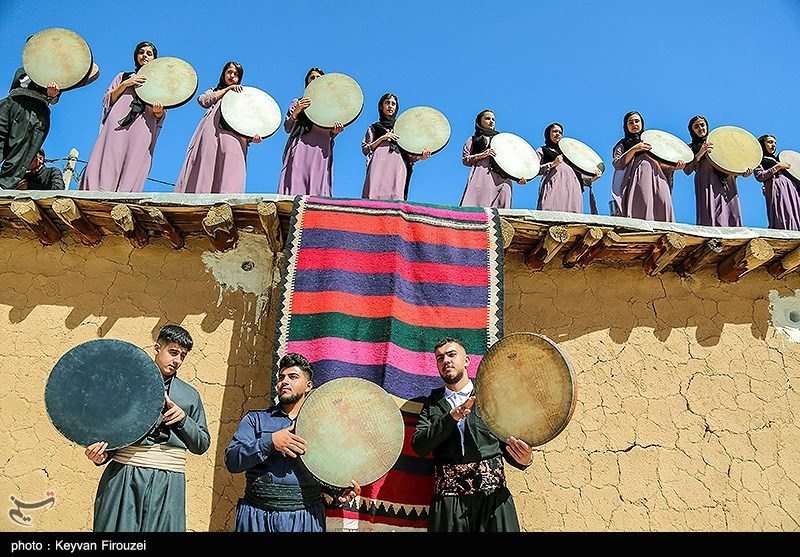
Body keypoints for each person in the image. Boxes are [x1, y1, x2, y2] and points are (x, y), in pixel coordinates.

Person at [84, 324, 210, 532]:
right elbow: (111, 437)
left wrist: (183, 420)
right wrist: (101, 455)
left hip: (169, 483)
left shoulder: (190, 396)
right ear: (157, 348)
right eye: (173, 352)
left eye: (183, 356)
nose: (177, 360)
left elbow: (202, 444)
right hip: (125, 475)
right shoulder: (126, 388)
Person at [225, 353, 360, 532]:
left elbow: (328, 471)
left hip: (304, 519)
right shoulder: (255, 419)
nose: (284, 382)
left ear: (308, 386)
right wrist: (271, 441)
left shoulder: (324, 427)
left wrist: (339, 491)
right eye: (281, 377)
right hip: (256, 517)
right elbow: (232, 461)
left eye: (293, 377)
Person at [411, 337, 533, 532]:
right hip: (449, 505)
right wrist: (452, 417)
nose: (446, 361)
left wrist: (525, 459)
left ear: (467, 360)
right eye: (440, 358)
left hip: (492, 501)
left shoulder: (490, 397)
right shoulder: (432, 404)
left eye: (452, 355)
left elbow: (508, 443)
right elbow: (419, 446)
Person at [79, 41, 165, 192]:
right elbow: (108, 99)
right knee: (109, 155)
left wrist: (158, 111)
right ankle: (100, 190)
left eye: (149, 53)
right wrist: (126, 84)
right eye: (141, 52)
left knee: (135, 157)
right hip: (117, 122)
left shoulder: (160, 83)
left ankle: (124, 194)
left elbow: (162, 113)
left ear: (154, 59)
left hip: (144, 124)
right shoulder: (123, 76)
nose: (144, 55)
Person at [174, 61, 262, 194]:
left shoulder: (243, 98)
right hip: (211, 131)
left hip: (233, 135)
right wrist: (226, 90)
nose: (232, 76)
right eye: (229, 72)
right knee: (206, 163)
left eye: (236, 74)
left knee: (230, 165)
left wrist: (251, 138)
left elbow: (247, 121)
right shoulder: (215, 91)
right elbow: (203, 100)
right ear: (224, 74)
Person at [277, 67, 343, 197]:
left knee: (318, 179)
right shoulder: (297, 102)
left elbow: (331, 132)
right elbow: (287, 127)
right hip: (301, 144)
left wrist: (336, 131)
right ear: (307, 82)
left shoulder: (330, 108)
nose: (315, 80)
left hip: (321, 147)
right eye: (312, 77)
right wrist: (297, 111)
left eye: (318, 78)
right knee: (296, 176)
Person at [611, 111, 685, 222]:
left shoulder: (652, 141)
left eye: (637, 121)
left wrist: (675, 167)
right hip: (640, 176)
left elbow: (663, 163)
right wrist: (635, 149)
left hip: (658, 176)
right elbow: (618, 163)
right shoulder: (623, 144)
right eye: (630, 122)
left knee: (663, 201)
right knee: (644, 203)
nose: (634, 124)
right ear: (626, 126)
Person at [683, 115, 751, 227]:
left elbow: (732, 163)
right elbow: (687, 169)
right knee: (710, 209)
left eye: (702, 125)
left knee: (731, 210)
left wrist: (743, 172)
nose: (700, 128)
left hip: (727, 181)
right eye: (696, 126)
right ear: (692, 130)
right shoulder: (691, 148)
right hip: (706, 180)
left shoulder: (718, 142)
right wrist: (700, 153)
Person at [361, 92, 430, 201]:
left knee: (396, 194)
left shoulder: (403, 128)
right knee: (373, 194)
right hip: (378, 163)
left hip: (398, 163)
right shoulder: (374, 127)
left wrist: (421, 156)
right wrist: (383, 138)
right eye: (387, 103)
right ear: (381, 106)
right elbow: (365, 149)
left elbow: (410, 155)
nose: (390, 106)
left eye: (393, 104)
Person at [0, 66, 60, 189]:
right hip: (10, 102)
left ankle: (3, 186)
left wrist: (52, 95)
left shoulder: (56, 74)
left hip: (34, 108)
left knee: (21, 151)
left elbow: (54, 99)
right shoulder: (25, 67)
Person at [459, 110, 526, 209]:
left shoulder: (502, 140)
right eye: (487, 118)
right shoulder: (473, 140)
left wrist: (518, 178)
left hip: (502, 178)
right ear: (479, 121)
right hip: (482, 176)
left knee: (501, 209)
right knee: (477, 208)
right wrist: (481, 155)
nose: (491, 121)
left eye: (493, 119)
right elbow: (465, 160)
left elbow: (511, 162)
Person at [535, 122, 601, 214]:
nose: (558, 134)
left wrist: (591, 179)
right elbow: (534, 170)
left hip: (573, 191)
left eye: (560, 132)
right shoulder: (543, 150)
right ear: (548, 134)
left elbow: (575, 178)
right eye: (554, 131)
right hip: (554, 187)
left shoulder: (571, 155)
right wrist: (552, 164)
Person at [754, 134, 800, 231]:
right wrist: (778, 167)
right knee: (783, 212)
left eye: (775, 143)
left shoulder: (780, 159)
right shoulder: (759, 160)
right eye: (770, 142)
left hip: (791, 188)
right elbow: (760, 176)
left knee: (794, 211)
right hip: (777, 187)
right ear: (762, 144)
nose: (773, 145)